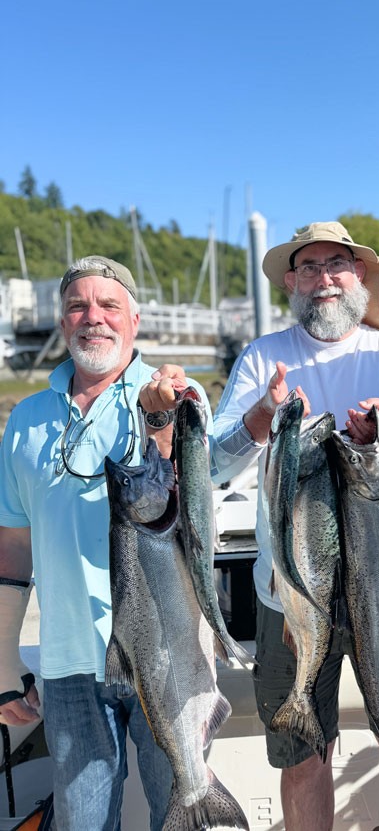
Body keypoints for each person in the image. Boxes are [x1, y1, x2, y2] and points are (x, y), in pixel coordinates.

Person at [210, 221, 379, 830]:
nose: (324, 280)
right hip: (288, 598)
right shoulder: (264, 357)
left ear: (359, 276)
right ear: (291, 281)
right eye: (308, 268)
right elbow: (212, 465)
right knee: (304, 759)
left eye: (336, 264)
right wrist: (263, 415)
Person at [0, 255, 211, 830]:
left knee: (182, 809)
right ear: (63, 322)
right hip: (69, 665)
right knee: (81, 823)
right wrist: (2, 665)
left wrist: (161, 422)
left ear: (134, 320)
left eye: (108, 305)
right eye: (78, 306)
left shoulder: (177, 394)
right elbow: (14, 547)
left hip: (172, 659)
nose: (93, 317)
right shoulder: (26, 419)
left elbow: (183, 494)